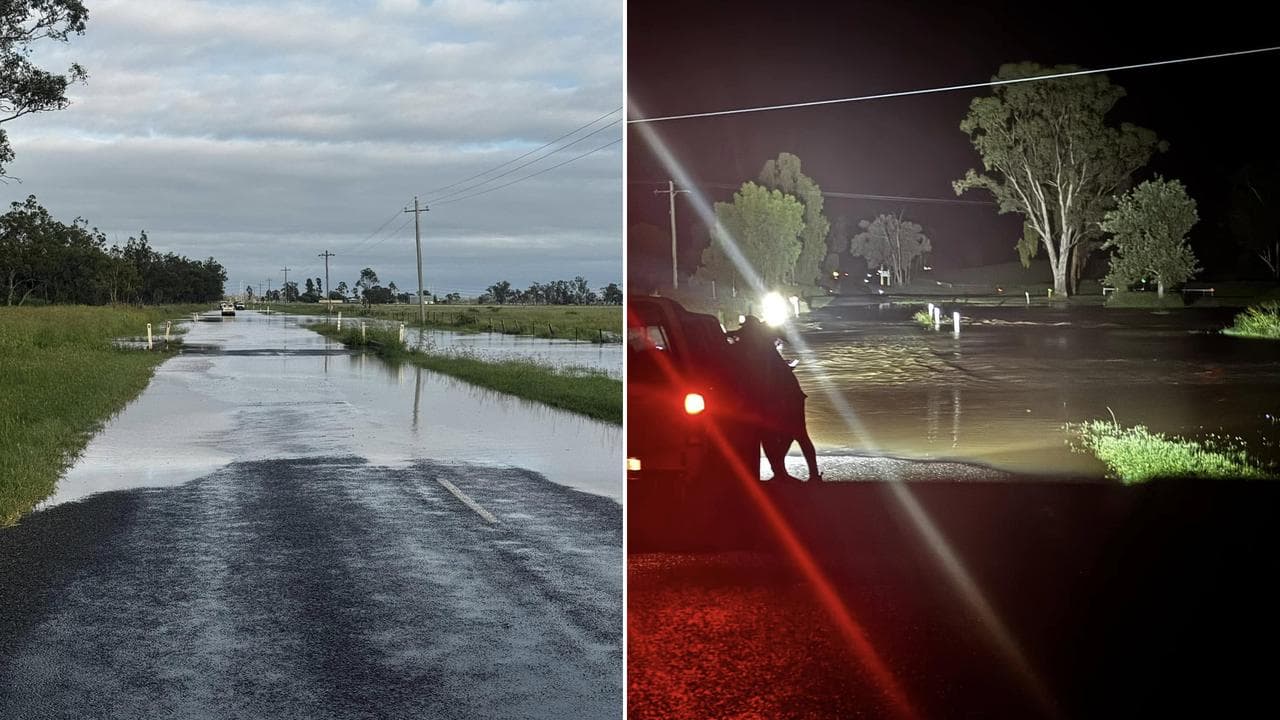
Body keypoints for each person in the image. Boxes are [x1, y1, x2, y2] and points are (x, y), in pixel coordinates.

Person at [728, 316, 821, 483]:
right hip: (782, 395)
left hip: (783, 395)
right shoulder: (763, 344)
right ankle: (788, 473)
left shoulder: (751, 348)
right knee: (791, 434)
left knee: (788, 434)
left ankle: (786, 472)